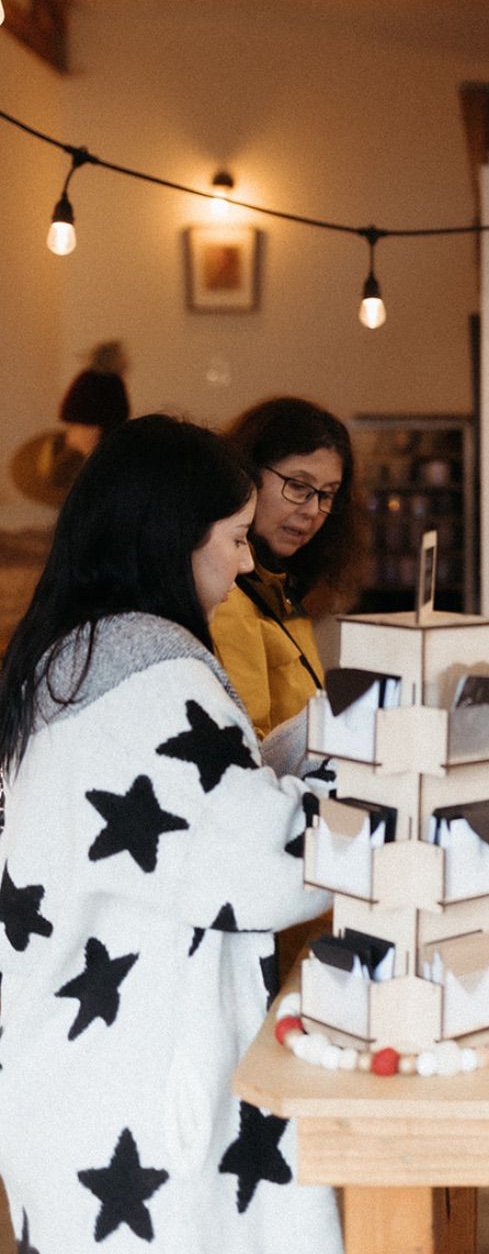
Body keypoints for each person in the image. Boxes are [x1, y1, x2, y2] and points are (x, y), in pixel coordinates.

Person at [0, 414, 340, 1253]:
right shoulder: (152, 672)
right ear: (172, 541)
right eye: (233, 537)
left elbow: (189, 820)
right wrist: (373, 776)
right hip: (136, 1115)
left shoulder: (74, 655)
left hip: (72, 1093)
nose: (248, 559)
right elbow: (273, 866)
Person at [212, 395, 359, 737]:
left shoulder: (280, 585)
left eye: (327, 494)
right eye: (297, 486)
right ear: (247, 473)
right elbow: (249, 737)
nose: (312, 510)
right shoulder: (228, 596)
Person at [8, 339, 131, 508]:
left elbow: (69, 410)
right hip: (92, 435)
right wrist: (94, 427)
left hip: (89, 434)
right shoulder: (106, 382)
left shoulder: (92, 379)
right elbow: (118, 414)